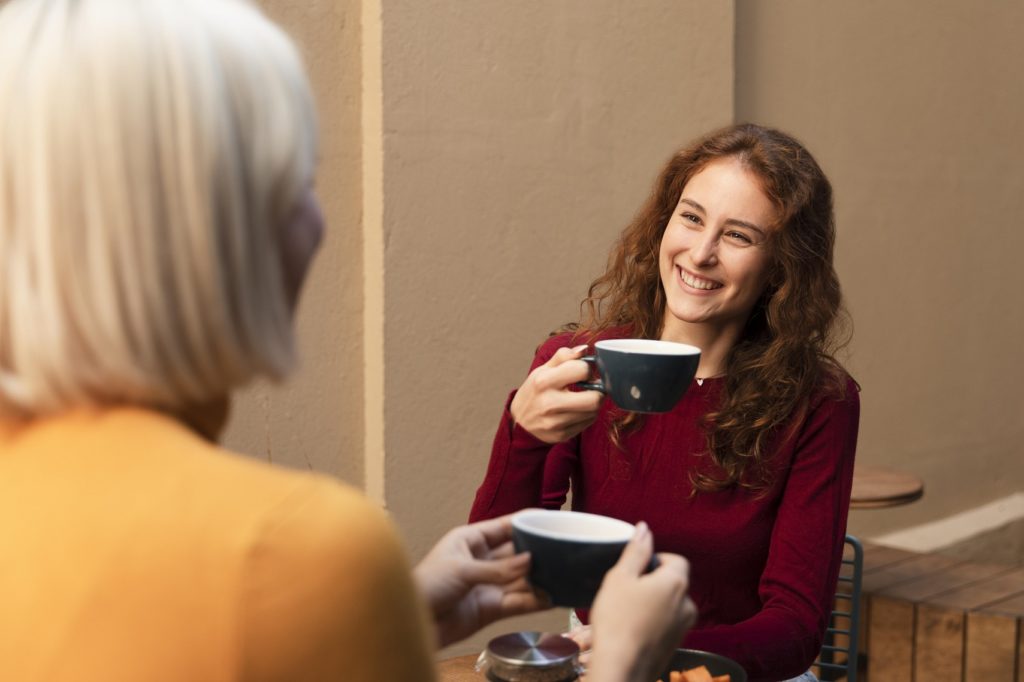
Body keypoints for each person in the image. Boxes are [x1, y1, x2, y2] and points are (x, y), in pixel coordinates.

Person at [0, 0, 696, 680]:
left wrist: (395, 614)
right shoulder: (294, 551)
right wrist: (621, 665)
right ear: (208, 230)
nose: (319, 224)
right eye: (298, 182)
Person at [470, 123, 860, 682]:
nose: (700, 254)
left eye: (739, 236)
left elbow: (795, 626)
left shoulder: (819, 402)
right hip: (596, 659)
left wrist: (645, 649)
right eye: (692, 217)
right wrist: (524, 433)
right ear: (664, 222)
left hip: (732, 672)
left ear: (781, 266)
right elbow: (491, 569)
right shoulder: (576, 361)